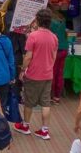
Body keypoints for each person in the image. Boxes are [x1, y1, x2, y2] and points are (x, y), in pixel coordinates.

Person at [15, 8, 58, 140]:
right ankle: (45, 130)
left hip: (33, 74)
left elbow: (28, 56)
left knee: (29, 101)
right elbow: (54, 56)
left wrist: (23, 70)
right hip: (47, 74)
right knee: (46, 103)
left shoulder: (33, 36)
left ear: (37, 20)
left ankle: (26, 125)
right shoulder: (54, 37)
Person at [50, 8, 69, 103]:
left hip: (55, 50)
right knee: (59, 73)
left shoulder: (51, 22)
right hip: (64, 48)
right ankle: (57, 96)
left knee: (52, 73)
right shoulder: (62, 19)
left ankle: (50, 95)